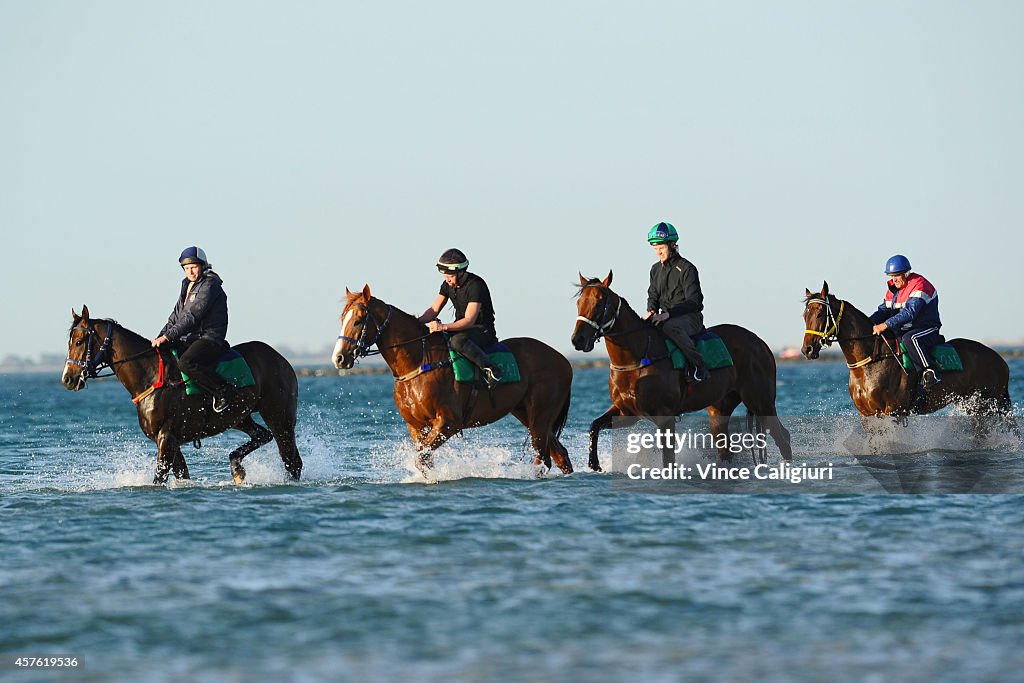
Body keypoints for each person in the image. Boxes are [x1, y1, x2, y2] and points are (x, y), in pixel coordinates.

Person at [151, 246, 236, 412]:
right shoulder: (187, 285)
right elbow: (175, 318)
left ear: (203, 266)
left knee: (186, 362)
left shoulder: (210, 285)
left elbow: (191, 317)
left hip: (209, 338)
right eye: (186, 268)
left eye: (193, 267)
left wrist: (167, 337)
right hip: (189, 338)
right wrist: (159, 337)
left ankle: (223, 391)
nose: (190, 272)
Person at [417, 248, 504, 388]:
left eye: (450, 276)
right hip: (461, 329)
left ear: (461, 272)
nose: (447, 280)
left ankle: (491, 370)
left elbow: (469, 320)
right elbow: (433, 311)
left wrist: (442, 326)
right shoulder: (447, 285)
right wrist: (416, 323)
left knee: (457, 341)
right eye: (445, 277)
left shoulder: (476, 285)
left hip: (482, 330)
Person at [642, 221, 708, 382]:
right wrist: (651, 311)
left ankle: (699, 366)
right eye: (655, 248)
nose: (658, 252)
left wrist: (668, 315)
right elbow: (653, 294)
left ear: (672, 245)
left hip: (690, 317)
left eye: (661, 248)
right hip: (664, 316)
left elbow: (695, 302)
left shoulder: (687, 268)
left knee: (670, 327)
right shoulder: (655, 269)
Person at [870, 254, 943, 389]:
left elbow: (909, 313)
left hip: (926, 328)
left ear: (906, 273)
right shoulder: (893, 290)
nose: (893, 279)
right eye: (891, 276)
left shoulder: (919, 284)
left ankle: (928, 371)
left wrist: (885, 325)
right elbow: (883, 311)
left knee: (910, 339)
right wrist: (868, 323)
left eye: (896, 275)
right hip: (904, 329)